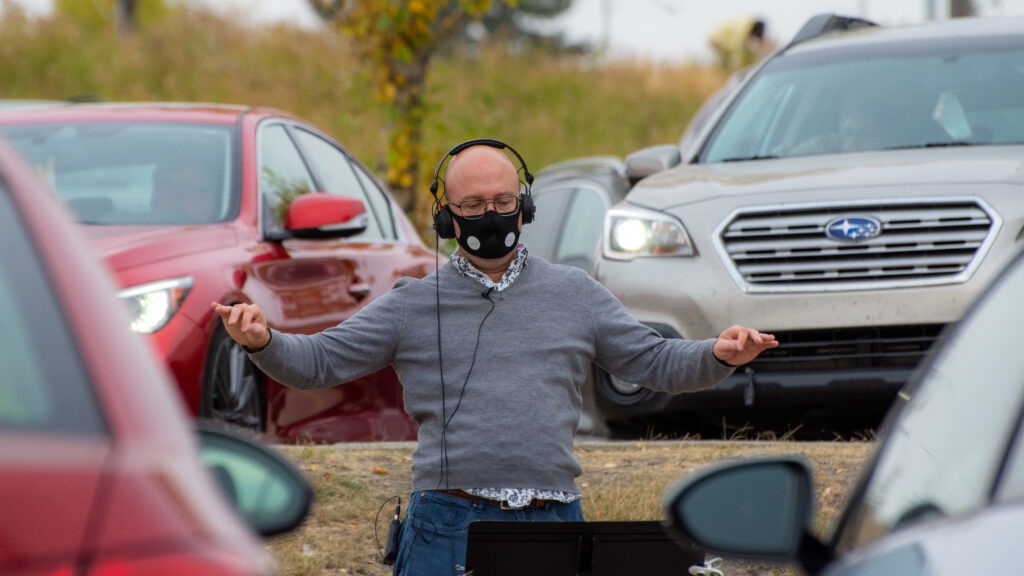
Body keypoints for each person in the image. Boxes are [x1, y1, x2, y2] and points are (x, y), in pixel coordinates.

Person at [211, 141, 778, 576]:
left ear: (525, 205)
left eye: (503, 202)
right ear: (446, 217)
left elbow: (655, 363)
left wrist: (719, 354)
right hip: (446, 526)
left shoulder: (574, 292)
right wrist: (264, 340)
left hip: (555, 522)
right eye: (474, 205)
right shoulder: (411, 303)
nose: (491, 214)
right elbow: (318, 362)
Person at [151, 161, 219, 222]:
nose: (175, 196)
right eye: (166, 187)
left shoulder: (224, 232)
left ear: (210, 199)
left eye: (185, 188)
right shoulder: (143, 231)